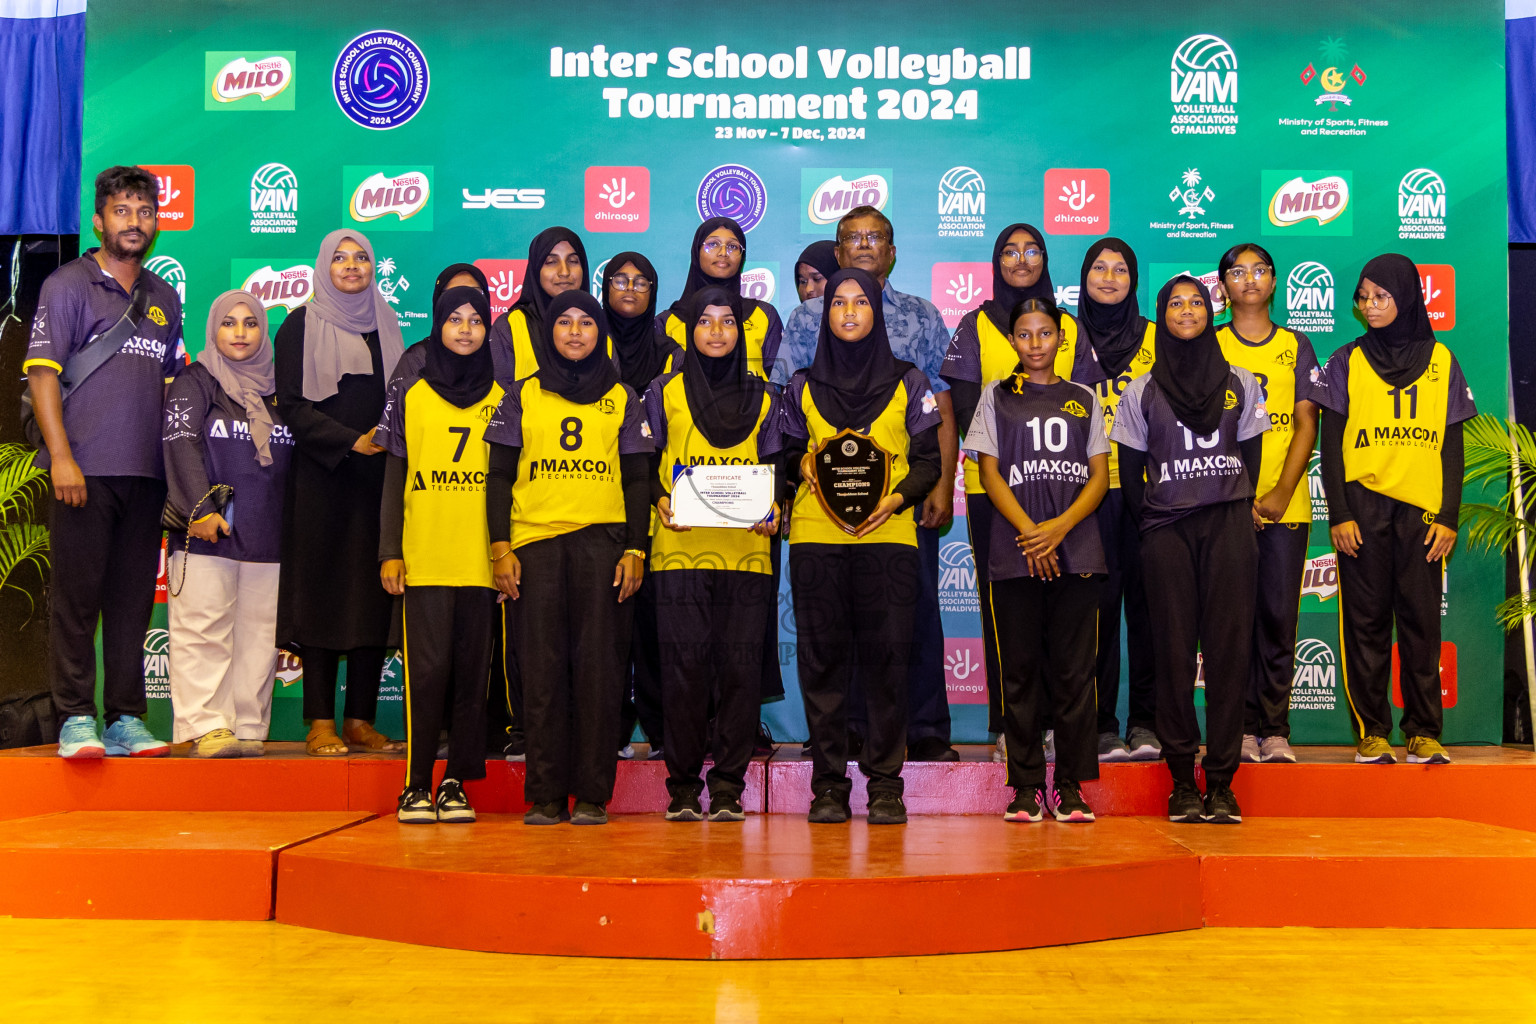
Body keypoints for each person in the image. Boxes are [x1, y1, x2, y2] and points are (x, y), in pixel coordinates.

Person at [777, 206, 958, 762]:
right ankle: (844, 731)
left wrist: (943, 484)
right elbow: (783, 407)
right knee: (835, 627)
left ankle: (924, 727)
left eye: (874, 236)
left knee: (913, 613)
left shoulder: (923, 315)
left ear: (892, 250)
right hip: (821, 506)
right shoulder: (807, 318)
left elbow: (942, 402)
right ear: (836, 253)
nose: (862, 245)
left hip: (898, 499)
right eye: (850, 237)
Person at [25, 165, 181, 758]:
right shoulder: (67, 285)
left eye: (144, 212)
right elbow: (43, 375)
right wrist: (61, 458)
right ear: (99, 220)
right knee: (76, 600)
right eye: (122, 211)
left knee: (130, 605)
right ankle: (74, 719)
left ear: (155, 222)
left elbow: (169, 390)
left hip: (146, 479)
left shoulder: (164, 298)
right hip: (82, 474)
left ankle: (124, 718)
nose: (134, 222)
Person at [485, 291, 653, 825]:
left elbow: (637, 479)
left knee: (601, 673)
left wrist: (635, 548)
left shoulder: (624, 396)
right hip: (534, 547)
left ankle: (594, 795)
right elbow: (499, 477)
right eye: (564, 323)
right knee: (542, 672)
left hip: (603, 546)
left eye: (586, 322)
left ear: (600, 332)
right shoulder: (520, 395)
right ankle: (547, 793)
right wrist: (500, 547)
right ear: (548, 333)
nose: (576, 332)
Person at [1111, 276, 1268, 825]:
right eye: (1175, 303)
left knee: (1228, 655)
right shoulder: (1140, 390)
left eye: (1196, 302)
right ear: (1162, 314)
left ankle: (1222, 782)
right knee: (1172, 656)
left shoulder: (1242, 382)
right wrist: (1155, 523)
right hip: (1167, 533)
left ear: (1210, 313)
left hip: (1227, 527)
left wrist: (1223, 506)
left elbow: (1251, 460)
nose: (1186, 310)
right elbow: (1131, 476)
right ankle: (1182, 780)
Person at [1310, 253, 1474, 766]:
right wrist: (1339, 514)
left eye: (1380, 296)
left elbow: (1453, 445)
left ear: (1405, 298)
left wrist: (1448, 515)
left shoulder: (1443, 360)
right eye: (1363, 297)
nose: (1370, 305)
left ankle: (1424, 732)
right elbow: (1329, 444)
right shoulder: (1345, 360)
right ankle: (1372, 732)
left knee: (1422, 625)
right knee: (1366, 623)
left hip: (1423, 513)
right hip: (1363, 506)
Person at [965, 296, 1107, 822]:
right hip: (1014, 553)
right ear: (1012, 342)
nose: (1035, 344)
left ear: (1060, 339)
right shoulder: (995, 398)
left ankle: (1069, 786)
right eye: (1024, 335)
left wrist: (1060, 529)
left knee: (1074, 673)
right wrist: (1031, 533)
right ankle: (1025, 785)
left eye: (1044, 333)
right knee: (1019, 672)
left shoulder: (1083, 398)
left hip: (1077, 551)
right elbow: (988, 474)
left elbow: (1098, 476)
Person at [646, 286, 783, 821]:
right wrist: (659, 500)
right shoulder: (663, 391)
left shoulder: (767, 396)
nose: (719, 331)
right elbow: (643, 462)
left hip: (746, 553)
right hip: (679, 552)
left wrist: (778, 505)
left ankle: (727, 784)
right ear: (689, 331)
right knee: (683, 674)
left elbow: (779, 465)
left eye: (730, 321)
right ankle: (682, 785)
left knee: (740, 674)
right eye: (706, 321)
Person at [942, 223, 1079, 761]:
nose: (1020, 260)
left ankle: (1054, 725)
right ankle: (1009, 726)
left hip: (1067, 496)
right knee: (1005, 612)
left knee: (1062, 610)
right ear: (995, 261)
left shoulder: (1067, 324)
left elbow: (1087, 402)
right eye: (1009, 251)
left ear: (1045, 258)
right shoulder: (975, 324)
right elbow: (964, 406)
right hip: (995, 491)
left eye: (1031, 250)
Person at [274, 229, 404, 757]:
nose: (352, 267)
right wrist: (352, 441)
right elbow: (293, 406)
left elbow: (400, 399)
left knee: (372, 596)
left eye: (362, 259)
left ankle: (360, 720)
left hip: (379, 484)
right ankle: (319, 721)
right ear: (324, 267)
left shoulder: (388, 323)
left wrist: (384, 443)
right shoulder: (299, 325)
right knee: (323, 596)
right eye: (341, 259)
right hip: (322, 479)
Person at [377, 286, 502, 823]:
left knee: (473, 677)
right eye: (455, 319)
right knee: (426, 675)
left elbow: (510, 483)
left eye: (477, 320)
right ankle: (415, 784)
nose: (467, 329)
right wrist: (389, 551)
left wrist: (507, 555)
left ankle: (455, 782)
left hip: (482, 561)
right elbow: (395, 475)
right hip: (425, 556)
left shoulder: (505, 396)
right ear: (438, 326)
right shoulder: (414, 392)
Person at [163, 291, 290, 758]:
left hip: (268, 531)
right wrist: (198, 509)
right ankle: (208, 724)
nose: (240, 333)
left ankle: (249, 724)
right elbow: (180, 444)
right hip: (208, 531)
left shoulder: (279, 388)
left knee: (259, 632)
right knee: (203, 626)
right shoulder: (195, 381)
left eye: (251, 323)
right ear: (213, 329)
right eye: (229, 323)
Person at [1215, 244, 1321, 764]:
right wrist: (1235, 497)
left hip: (1286, 505)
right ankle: (1235, 727)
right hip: (1223, 504)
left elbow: (1306, 422)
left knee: (1278, 617)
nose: (1249, 279)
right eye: (1238, 271)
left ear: (1275, 282)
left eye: (1260, 271)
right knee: (1231, 622)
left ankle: (1274, 728)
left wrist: (1279, 492)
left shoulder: (1296, 345)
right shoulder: (1210, 343)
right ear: (1224, 286)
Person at [1073, 237, 1161, 763]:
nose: (1109, 277)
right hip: (1086, 496)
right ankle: (1101, 725)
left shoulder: (1157, 336)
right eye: (1099, 268)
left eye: (1121, 269)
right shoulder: (1064, 337)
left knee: (1148, 614)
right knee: (1095, 616)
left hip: (1150, 496)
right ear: (1083, 277)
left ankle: (1145, 723)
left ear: (1134, 281)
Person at [604, 250, 679, 760]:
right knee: (604, 629)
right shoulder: (583, 337)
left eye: (642, 282)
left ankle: (657, 727)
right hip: (600, 500)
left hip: (660, 505)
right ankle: (604, 731)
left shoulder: (671, 350)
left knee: (654, 628)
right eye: (620, 280)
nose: (630, 289)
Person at [657, 217, 782, 382]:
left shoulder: (764, 315)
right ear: (696, 251)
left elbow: (779, 384)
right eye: (713, 244)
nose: (723, 253)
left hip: (753, 407)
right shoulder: (666, 323)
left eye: (732, 246)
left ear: (742, 256)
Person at [486, 227, 613, 382]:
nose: (564, 272)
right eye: (551, 262)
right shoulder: (510, 326)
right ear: (536, 269)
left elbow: (613, 394)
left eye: (572, 261)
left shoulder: (600, 323)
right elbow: (501, 394)